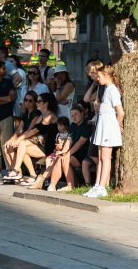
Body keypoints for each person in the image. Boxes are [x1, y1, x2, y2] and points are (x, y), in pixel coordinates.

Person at [86, 66, 124, 198]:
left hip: (108, 128)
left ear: (107, 76)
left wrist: (117, 126)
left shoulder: (113, 90)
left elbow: (120, 112)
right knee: (100, 157)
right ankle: (97, 185)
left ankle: (102, 187)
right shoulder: (106, 89)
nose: (97, 78)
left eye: (99, 76)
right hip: (102, 126)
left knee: (106, 157)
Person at [7, 93, 59, 186]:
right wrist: (18, 139)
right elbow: (31, 131)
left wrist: (19, 139)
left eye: (39, 101)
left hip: (49, 148)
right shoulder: (41, 116)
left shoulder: (50, 116)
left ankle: (16, 171)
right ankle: (32, 175)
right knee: (22, 147)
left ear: (46, 104)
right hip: (41, 144)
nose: (36, 103)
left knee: (21, 144)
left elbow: (35, 130)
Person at [47, 102, 93, 191]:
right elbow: (69, 140)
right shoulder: (73, 125)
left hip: (83, 153)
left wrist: (68, 154)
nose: (73, 117)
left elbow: (80, 143)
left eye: (76, 114)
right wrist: (64, 151)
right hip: (74, 152)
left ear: (82, 113)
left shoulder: (87, 125)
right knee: (60, 157)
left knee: (65, 159)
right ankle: (53, 185)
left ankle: (69, 186)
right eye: (72, 115)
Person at [30, 117, 71, 189]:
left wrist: (60, 148)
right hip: (57, 152)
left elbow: (67, 147)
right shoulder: (58, 134)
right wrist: (56, 148)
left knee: (53, 161)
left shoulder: (68, 135)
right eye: (58, 125)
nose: (59, 127)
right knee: (48, 159)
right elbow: (56, 146)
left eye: (61, 125)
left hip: (63, 153)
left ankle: (46, 178)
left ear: (66, 126)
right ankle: (49, 176)